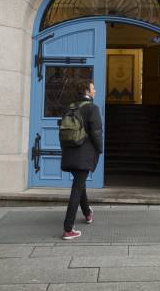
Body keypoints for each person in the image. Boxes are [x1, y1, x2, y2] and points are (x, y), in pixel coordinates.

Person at [60, 79, 102, 240]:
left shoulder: (70, 107)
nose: (95, 91)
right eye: (93, 88)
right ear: (87, 90)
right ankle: (68, 228)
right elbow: (97, 133)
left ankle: (87, 213)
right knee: (77, 188)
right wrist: (99, 149)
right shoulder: (92, 108)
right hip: (84, 153)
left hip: (70, 152)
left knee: (79, 183)